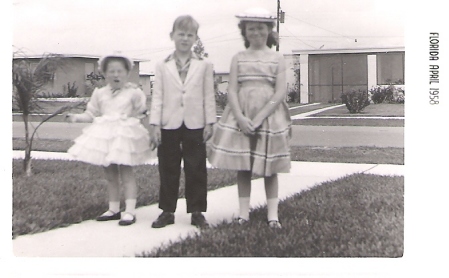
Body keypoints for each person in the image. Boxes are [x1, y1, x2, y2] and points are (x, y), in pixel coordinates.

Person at [208, 8, 291, 229]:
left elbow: (280, 92)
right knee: (243, 165)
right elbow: (232, 91)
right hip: (242, 116)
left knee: (269, 166)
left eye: (260, 28)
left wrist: (262, 116)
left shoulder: (277, 58)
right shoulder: (238, 58)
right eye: (250, 28)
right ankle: (243, 213)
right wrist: (241, 118)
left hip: (269, 116)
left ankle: (272, 215)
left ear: (269, 30)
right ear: (244, 32)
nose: (256, 32)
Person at [66, 53, 152, 226]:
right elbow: (91, 113)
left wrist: (150, 133)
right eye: (111, 71)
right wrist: (76, 117)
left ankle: (130, 211)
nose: (116, 75)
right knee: (110, 174)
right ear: (104, 73)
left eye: (120, 71)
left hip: (124, 137)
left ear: (127, 72)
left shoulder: (134, 92)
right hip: (105, 136)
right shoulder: (100, 93)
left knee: (126, 173)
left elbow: (142, 113)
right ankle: (113, 209)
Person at [149, 15, 216, 229]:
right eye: (181, 34)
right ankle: (167, 211)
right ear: (172, 36)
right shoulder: (162, 65)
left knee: (195, 167)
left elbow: (208, 95)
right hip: (169, 122)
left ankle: (197, 212)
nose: (185, 39)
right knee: (168, 167)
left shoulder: (204, 64)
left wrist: (210, 122)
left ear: (196, 38)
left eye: (190, 35)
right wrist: (155, 124)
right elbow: (157, 95)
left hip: (195, 123)